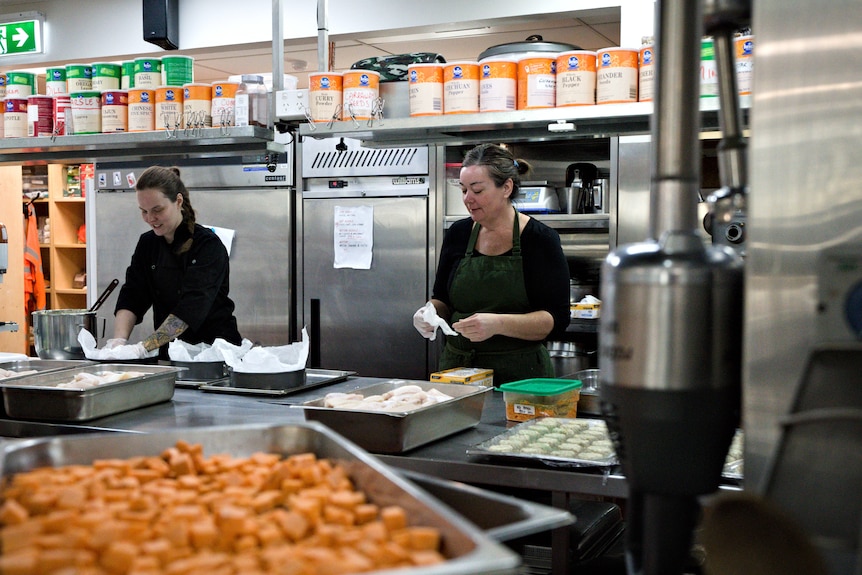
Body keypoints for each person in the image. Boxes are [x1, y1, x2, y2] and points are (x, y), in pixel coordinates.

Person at [413, 143, 570, 385]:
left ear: (506, 187)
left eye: (477, 190)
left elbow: (556, 320)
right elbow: (442, 298)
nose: (468, 199)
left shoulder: (540, 240)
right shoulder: (459, 233)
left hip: (520, 376)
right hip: (458, 373)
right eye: (463, 190)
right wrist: (429, 312)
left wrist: (497, 324)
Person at [106, 165, 242, 359]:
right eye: (143, 211)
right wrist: (118, 342)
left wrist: (144, 347)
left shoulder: (208, 245)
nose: (150, 218)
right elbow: (133, 295)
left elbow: (191, 308)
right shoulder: (147, 243)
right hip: (171, 354)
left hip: (212, 354)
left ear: (178, 201)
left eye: (157, 210)